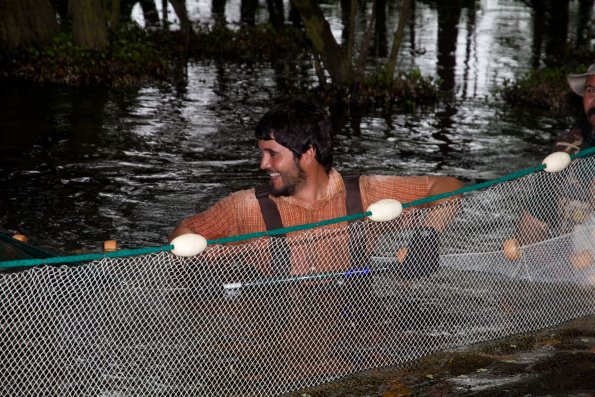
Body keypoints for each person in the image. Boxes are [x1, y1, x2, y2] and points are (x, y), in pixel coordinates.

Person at [170, 97, 463, 276]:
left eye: (272, 154)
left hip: (354, 345)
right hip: (273, 348)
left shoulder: (364, 195)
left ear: (308, 154)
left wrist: (428, 236)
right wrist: (200, 262)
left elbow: (447, 185)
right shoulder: (244, 207)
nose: (263, 164)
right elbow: (184, 232)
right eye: (262, 153)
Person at [514, 64, 594, 271]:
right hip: (572, 272)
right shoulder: (565, 151)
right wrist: (548, 267)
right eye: (591, 90)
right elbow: (533, 225)